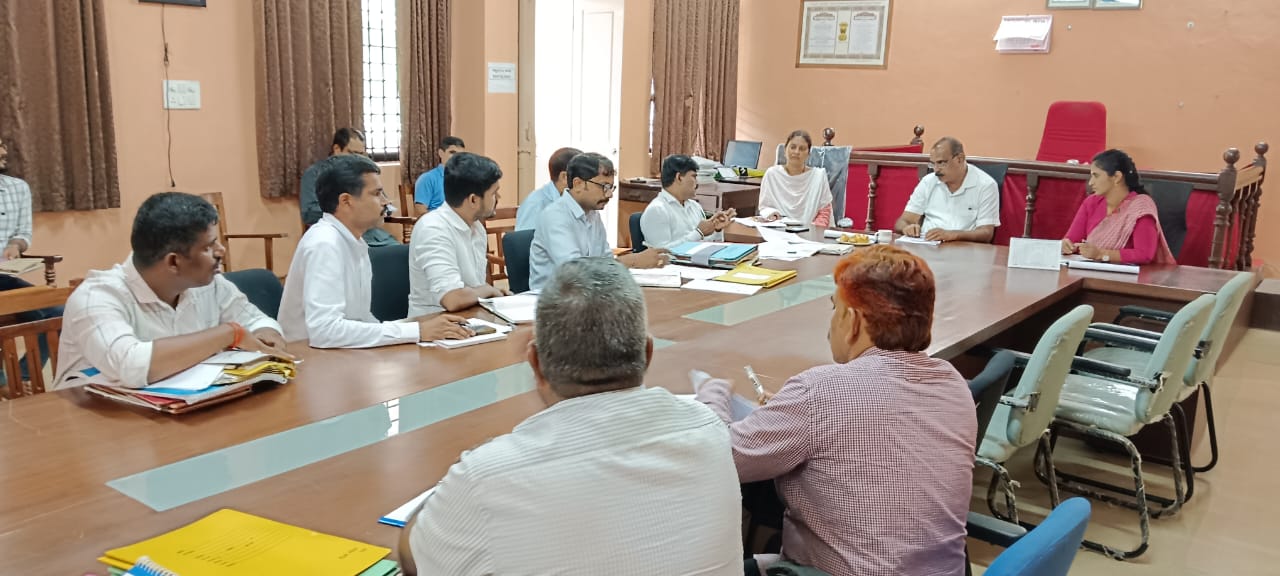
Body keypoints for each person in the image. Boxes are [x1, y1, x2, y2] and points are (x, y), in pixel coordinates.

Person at [399, 257, 743, 576]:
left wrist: (462, 481)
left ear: (535, 363)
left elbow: (415, 558)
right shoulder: (710, 430)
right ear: (648, 353)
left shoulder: (486, 477)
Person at [695, 245, 976, 576]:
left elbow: (718, 460)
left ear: (852, 320)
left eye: (835, 308)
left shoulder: (820, 391)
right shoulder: (953, 383)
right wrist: (791, 414)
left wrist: (713, 393)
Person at [54, 192, 289, 390]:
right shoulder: (97, 297)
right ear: (174, 262)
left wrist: (267, 334)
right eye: (209, 247)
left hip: (182, 412)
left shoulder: (210, 284)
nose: (221, 251)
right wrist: (229, 333)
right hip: (97, 421)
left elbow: (255, 320)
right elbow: (131, 366)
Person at [278, 155, 474, 348]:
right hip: (312, 358)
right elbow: (325, 331)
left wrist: (415, 332)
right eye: (377, 194)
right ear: (346, 201)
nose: (385, 202)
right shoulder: (324, 244)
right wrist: (416, 331)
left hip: (344, 352)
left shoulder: (355, 241)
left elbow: (362, 319)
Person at [527, 153, 669, 291]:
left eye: (611, 187)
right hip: (553, 299)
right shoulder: (554, 216)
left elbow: (605, 258)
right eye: (604, 187)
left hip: (588, 293)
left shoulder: (593, 214)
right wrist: (633, 261)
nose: (610, 194)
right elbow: (574, 271)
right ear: (578, 184)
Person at [407, 152, 510, 316]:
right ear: (473, 200)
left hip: (471, 316)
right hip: (434, 322)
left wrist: (492, 296)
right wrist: (488, 290)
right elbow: (452, 298)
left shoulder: (476, 227)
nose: (498, 197)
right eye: (493, 193)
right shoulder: (433, 229)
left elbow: (474, 286)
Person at [0, 136, 62, 383]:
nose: (3, 151)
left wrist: (15, 246)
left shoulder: (18, 188)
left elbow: (23, 233)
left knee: (59, 313)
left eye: (2, 145)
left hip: (5, 278)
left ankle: (22, 377)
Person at [1062, 149, 1176, 265]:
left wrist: (1101, 254)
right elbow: (1072, 240)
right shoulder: (1091, 202)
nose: (1091, 182)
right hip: (1089, 271)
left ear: (1117, 177)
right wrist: (1065, 246)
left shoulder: (1140, 207)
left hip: (1132, 274)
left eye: (1096, 176)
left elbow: (1144, 254)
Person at [299, 128, 397, 247]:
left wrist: (377, 209)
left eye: (362, 154)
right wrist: (352, 212)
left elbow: (384, 204)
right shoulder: (315, 173)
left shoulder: (365, 173)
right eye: (353, 153)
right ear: (337, 149)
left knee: (402, 253)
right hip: (340, 235)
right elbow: (309, 213)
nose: (358, 158)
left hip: (374, 236)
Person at [894, 137, 1000, 243]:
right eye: (933, 164)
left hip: (964, 248)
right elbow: (903, 221)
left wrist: (953, 235)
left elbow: (986, 233)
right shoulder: (928, 182)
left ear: (959, 159)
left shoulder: (986, 185)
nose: (936, 170)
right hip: (927, 245)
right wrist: (907, 228)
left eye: (941, 163)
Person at [640, 154, 735, 250]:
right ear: (679, 177)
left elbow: (706, 244)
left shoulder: (695, 206)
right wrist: (698, 233)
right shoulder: (657, 210)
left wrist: (717, 230)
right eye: (694, 176)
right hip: (676, 260)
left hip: (699, 258)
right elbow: (660, 253)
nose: (697, 182)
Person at [757, 130, 832, 227]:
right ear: (785, 150)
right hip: (778, 230)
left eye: (802, 149)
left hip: (810, 231)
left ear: (808, 154)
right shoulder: (772, 175)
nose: (796, 152)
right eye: (793, 147)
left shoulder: (818, 176)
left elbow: (824, 212)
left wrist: (813, 230)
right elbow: (765, 208)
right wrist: (772, 215)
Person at [514, 146, 582, 231]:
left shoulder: (573, 200)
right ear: (564, 177)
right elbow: (525, 239)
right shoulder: (537, 204)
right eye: (583, 176)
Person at [413, 136, 465, 216]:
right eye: (452, 152)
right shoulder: (427, 178)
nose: (456, 157)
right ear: (441, 153)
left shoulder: (465, 179)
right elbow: (420, 211)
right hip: (437, 222)